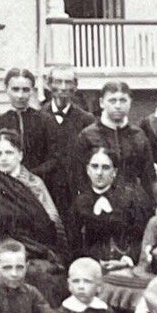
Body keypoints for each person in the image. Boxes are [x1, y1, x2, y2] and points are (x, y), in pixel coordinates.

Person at [0, 129, 65, 308]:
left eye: (9, 152)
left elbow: (50, 219)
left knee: (38, 273)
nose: (3, 158)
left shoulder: (34, 183)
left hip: (34, 242)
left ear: (20, 155)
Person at [76, 80, 157, 206]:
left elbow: (149, 177)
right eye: (112, 100)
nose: (118, 106)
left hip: (133, 206)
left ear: (130, 103)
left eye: (123, 100)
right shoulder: (88, 135)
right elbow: (78, 176)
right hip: (97, 205)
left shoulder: (138, 135)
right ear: (102, 103)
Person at [0, 68, 60, 191]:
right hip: (4, 187)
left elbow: (55, 158)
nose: (20, 95)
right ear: (6, 89)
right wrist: (8, 177)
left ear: (32, 90)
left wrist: (30, 175)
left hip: (39, 186)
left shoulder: (45, 120)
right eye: (15, 89)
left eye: (25, 90)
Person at [66, 145, 147, 264]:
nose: (99, 173)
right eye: (94, 167)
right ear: (88, 170)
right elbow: (74, 243)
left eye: (105, 168)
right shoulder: (80, 203)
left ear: (114, 172)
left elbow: (140, 236)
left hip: (124, 264)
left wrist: (128, 258)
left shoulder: (130, 199)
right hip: (92, 266)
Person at [42, 64, 94, 222]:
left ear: (75, 86)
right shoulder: (38, 117)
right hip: (46, 189)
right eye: (58, 82)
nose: (63, 87)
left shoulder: (87, 120)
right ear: (49, 84)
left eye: (68, 82)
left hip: (75, 190)